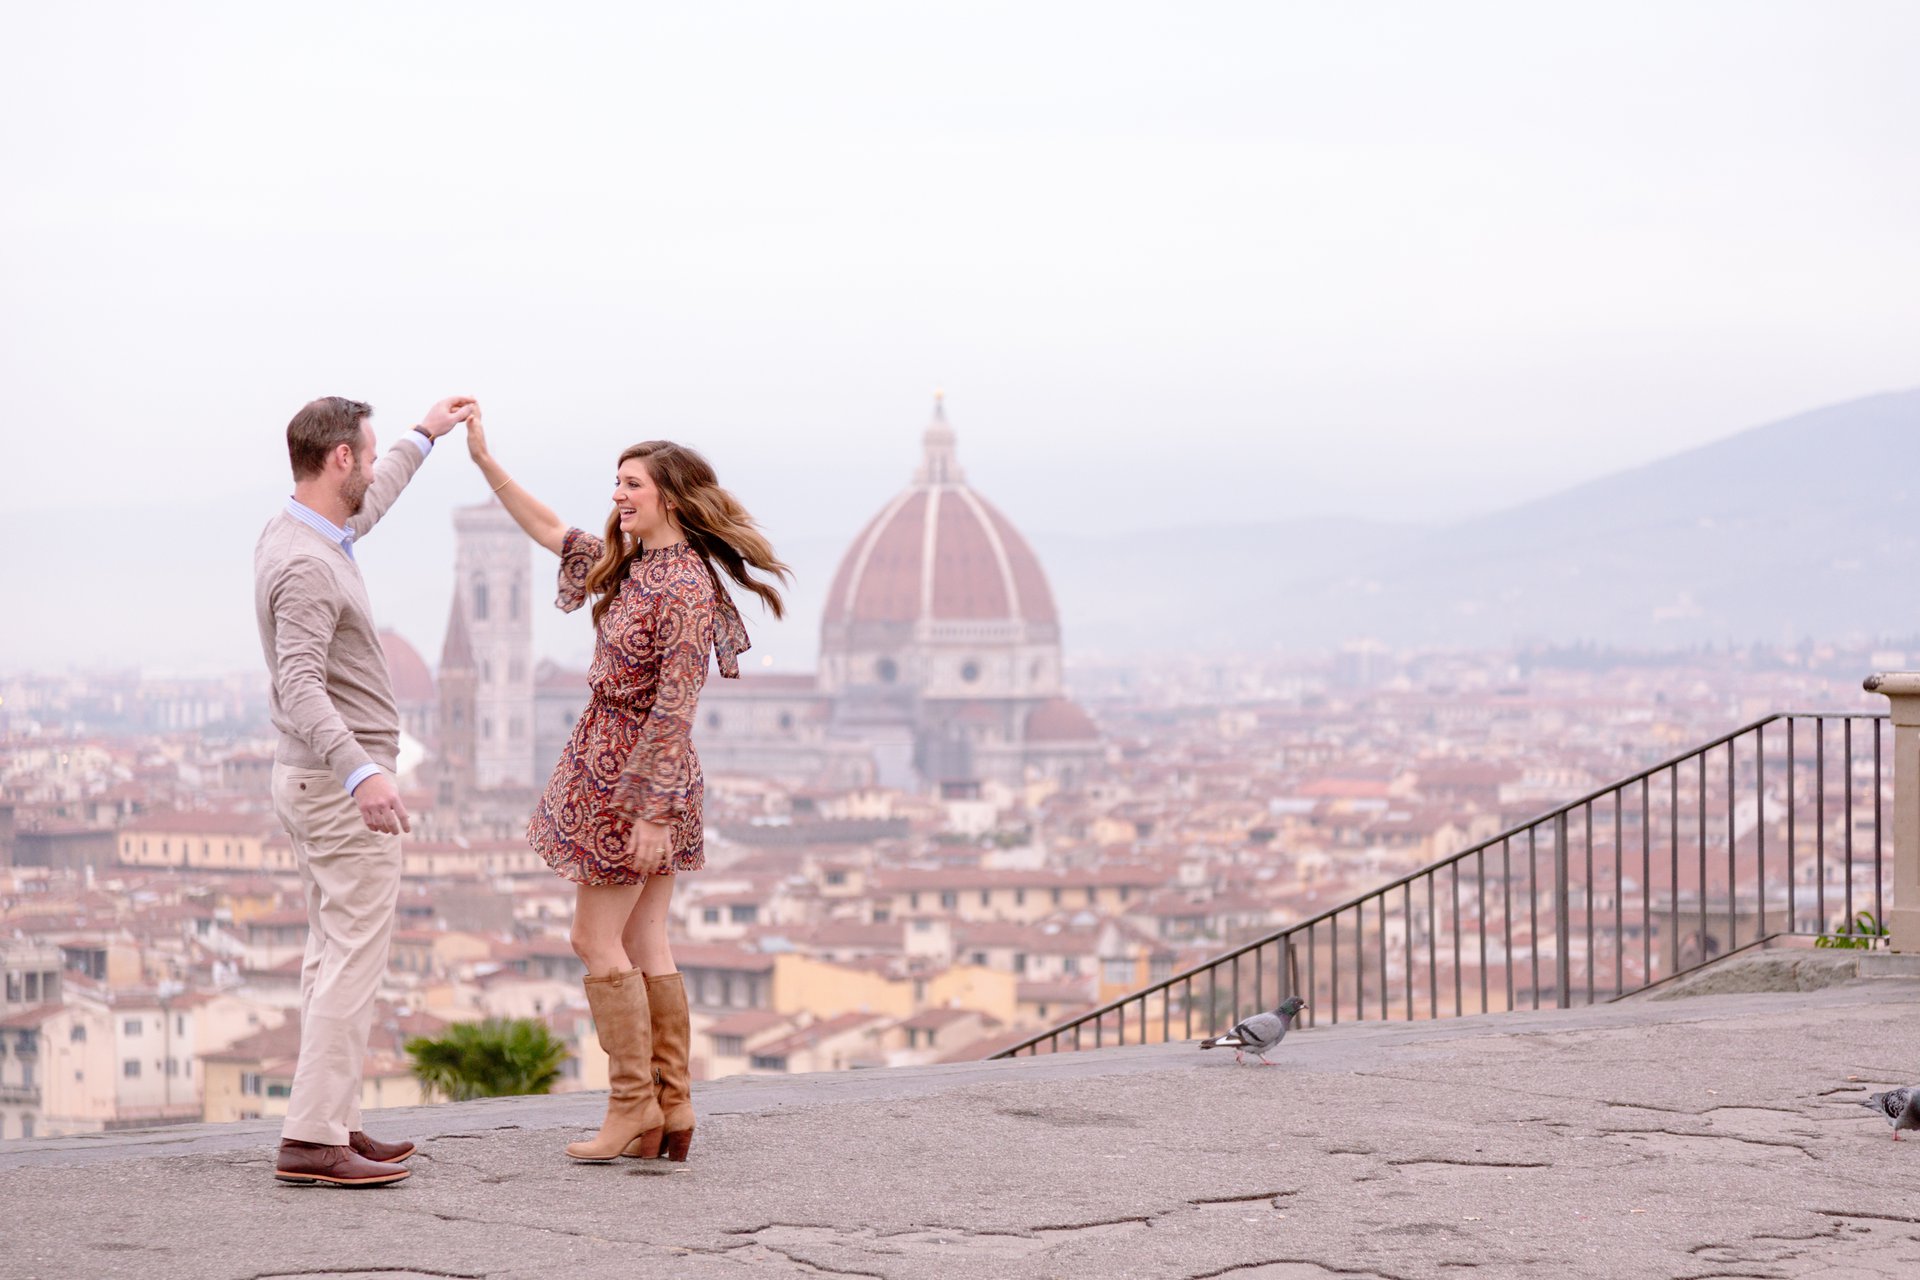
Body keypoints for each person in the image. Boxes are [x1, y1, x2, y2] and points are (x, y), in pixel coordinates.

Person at [465, 406, 787, 1163]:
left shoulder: (680, 588)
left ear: (669, 496)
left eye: (632, 484)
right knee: (644, 938)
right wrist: (485, 461)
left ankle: (633, 1104)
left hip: (633, 780)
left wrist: (651, 810)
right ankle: (671, 1106)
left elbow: (677, 703)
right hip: (634, 775)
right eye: (616, 482)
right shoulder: (638, 566)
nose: (618, 495)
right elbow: (551, 529)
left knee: (592, 938)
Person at [256, 393, 474, 1187]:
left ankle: (333, 1121)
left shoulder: (306, 532)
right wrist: (364, 772)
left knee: (330, 954)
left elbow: (372, 503)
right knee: (352, 960)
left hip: (313, 780)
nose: (374, 469)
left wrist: (424, 435)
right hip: (335, 784)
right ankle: (313, 1140)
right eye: (370, 454)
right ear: (340, 456)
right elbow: (300, 685)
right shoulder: (308, 565)